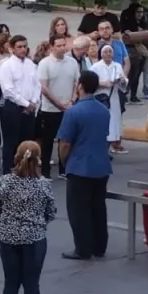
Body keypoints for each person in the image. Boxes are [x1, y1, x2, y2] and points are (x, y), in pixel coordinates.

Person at [0, 141, 56, 294]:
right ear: (38, 159)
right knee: (31, 283)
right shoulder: (43, 184)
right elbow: (51, 212)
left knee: (10, 282)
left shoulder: (4, 182)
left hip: (8, 236)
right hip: (34, 238)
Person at [56, 70, 111, 260]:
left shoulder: (74, 112)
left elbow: (65, 143)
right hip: (101, 164)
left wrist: (64, 161)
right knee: (98, 206)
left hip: (79, 165)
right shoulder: (104, 110)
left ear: (80, 85)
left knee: (79, 209)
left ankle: (83, 247)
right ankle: (99, 245)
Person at [0, 34, 40, 174]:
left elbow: (37, 85)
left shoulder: (31, 64)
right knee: (11, 143)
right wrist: (25, 103)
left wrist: (33, 101)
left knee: (27, 143)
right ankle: (8, 173)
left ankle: (25, 171)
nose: (23, 49)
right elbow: (8, 90)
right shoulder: (6, 65)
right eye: (19, 47)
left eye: (25, 46)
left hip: (30, 108)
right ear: (12, 48)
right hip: (12, 108)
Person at [35, 34, 79, 178]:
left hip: (68, 108)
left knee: (66, 140)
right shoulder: (45, 63)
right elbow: (44, 87)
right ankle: (45, 172)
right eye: (58, 46)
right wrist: (59, 104)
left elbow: (76, 83)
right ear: (52, 47)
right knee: (47, 142)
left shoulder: (72, 62)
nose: (62, 48)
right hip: (50, 109)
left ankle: (64, 169)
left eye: (63, 45)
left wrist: (72, 99)